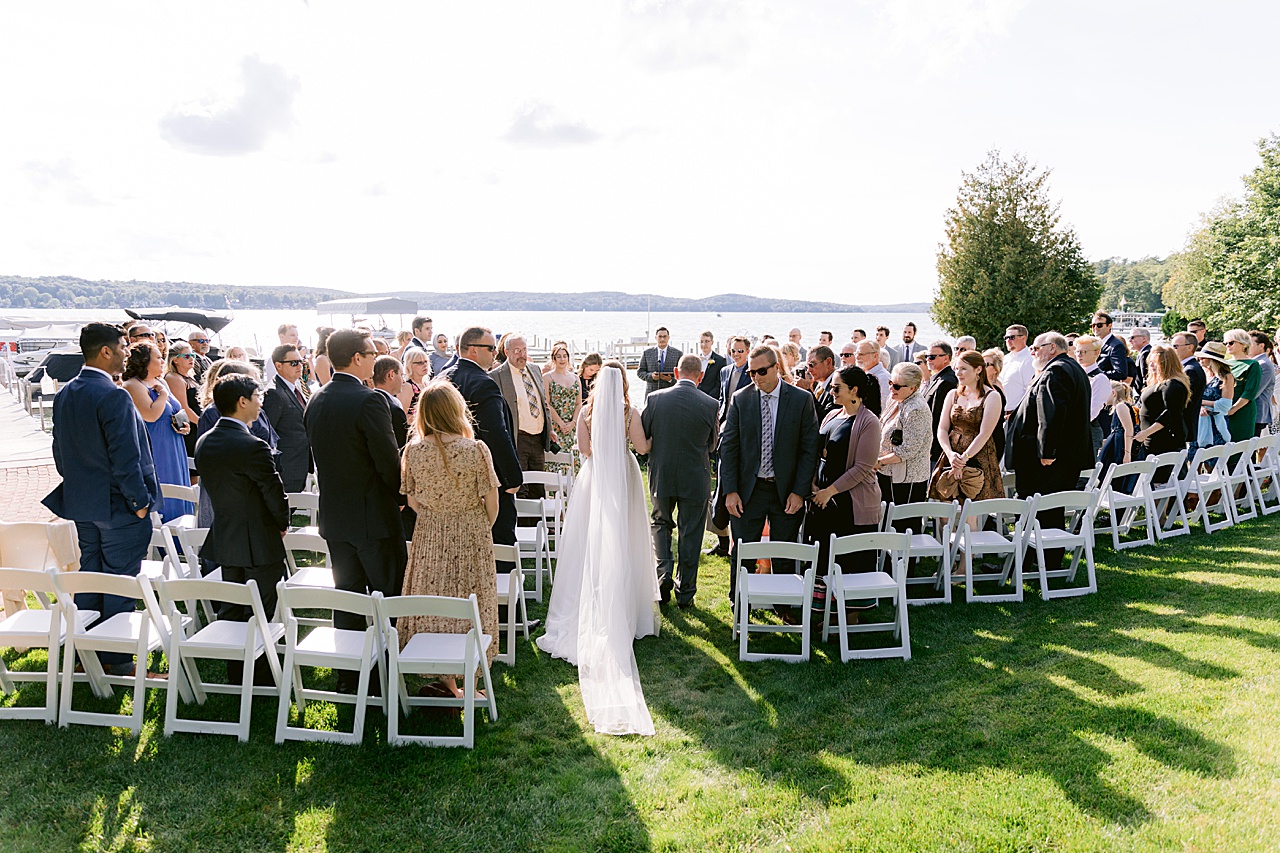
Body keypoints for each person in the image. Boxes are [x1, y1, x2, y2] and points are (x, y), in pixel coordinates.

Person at [536, 364, 658, 736]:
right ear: (622, 385)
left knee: (588, 541)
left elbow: (584, 449)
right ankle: (629, 611)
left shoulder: (586, 412)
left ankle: (586, 602)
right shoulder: (629, 413)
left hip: (593, 478)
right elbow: (642, 447)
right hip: (622, 476)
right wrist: (653, 438)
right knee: (626, 538)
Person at [43, 323, 159, 676]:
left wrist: (77, 487)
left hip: (83, 505)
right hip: (119, 507)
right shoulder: (114, 395)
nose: (128, 352)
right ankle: (117, 661)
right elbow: (126, 457)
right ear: (105, 351)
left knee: (90, 579)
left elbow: (59, 451)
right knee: (120, 583)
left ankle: (85, 656)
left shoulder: (66, 393)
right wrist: (139, 502)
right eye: (124, 346)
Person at [400, 381, 502, 697]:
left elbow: (413, 500)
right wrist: (478, 526)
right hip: (471, 532)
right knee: (473, 601)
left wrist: (436, 515)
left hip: (430, 533)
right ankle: (469, 685)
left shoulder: (413, 452)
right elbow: (492, 502)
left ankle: (447, 684)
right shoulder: (475, 450)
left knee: (436, 602)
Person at [304, 329, 407, 640]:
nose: (374, 359)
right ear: (356, 358)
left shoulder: (316, 398)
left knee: (347, 599)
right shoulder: (370, 400)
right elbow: (388, 461)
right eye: (371, 354)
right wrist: (400, 496)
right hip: (374, 518)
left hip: (336, 517)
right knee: (387, 596)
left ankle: (351, 675)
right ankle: (388, 667)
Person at [194, 374, 289, 681]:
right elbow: (272, 491)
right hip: (258, 539)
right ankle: (260, 676)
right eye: (257, 396)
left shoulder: (204, 441)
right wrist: (282, 523)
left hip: (225, 536)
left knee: (233, 608)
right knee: (262, 609)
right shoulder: (252, 445)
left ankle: (237, 671)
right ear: (242, 401)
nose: (261, 403)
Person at [719, 345, 820, 606]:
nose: (756, 377)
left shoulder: (801, 399)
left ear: (777, 367)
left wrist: (799, 492)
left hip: (786, 491)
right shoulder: (741, 399)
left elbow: (810, 450)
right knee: (741, 551)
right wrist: (730, 490)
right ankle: (738, 603)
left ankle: (783, 605)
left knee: (784, 553)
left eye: (761, 371)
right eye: (751, 372)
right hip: (747, 491)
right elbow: (727, 447)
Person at [1005, 333, 1092, 566]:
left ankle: (1025, 561)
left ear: (1051, 348)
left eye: (1035, 348)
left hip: (1046, 459)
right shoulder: (1073, 368)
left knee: (1033, 508)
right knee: (1050, 510)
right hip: (1062, 457)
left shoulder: (1056, 371)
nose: (1032, 353)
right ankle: (1045, 561)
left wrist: (1047, 451)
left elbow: (1051, 414)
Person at [442, 327, 523, 569]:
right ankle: (504, 603)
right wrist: (512, 477)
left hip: (449, 476)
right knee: (499, 544)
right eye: (491, 348)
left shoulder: (442, 377)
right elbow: (496, 433)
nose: (495, 354)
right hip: (487, 478)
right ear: (474, 351)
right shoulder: (483, 384)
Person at [642, 354, 718, 609]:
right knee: (691, 533)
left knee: (661, 523)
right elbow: (713, 444)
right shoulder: (711, 403)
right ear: (701, 376)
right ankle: (685, 592)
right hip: (695, 477)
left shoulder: (654, 399)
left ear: (676, 372)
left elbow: (646, 435)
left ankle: (663, 573)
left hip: (662, 473)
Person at [807, 365, 883, 608]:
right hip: (823, 499)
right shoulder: (832, 415)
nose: (831, 391)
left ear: (854, 390)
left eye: (836, 387)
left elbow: (862, 467)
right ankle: (825, 610)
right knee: (825, 556)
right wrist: (815, 486)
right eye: (831, 387)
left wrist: (830, 491)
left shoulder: (869, 422)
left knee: (850, 560)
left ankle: (850, 615)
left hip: (851, 505)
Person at [123, 341, 192, 522]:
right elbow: (151, 415)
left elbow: (176, 409)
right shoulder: (132, 385)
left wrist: (185, 426)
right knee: (165, 490)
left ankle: (185, 538)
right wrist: (162, 394)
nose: (163, 360)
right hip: (156, 447)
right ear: (145, 360)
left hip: (174, 444)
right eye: (158, 357)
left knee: (180, 489)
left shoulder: (161, 382)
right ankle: (167, 542)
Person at [929, 351, 1004, 505]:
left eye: (963, 369)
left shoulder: (992, 396)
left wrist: (964, 459)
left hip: (977, 455)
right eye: (956, 368)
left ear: (978, 369)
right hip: (952, 454)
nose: (958, 373)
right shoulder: (952, 395)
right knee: (944, 508)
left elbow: (984, 433)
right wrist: (951, 455)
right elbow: (942, 429)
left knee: (970, 512)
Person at [489, 334, 556, 498]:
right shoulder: (496, 376)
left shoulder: (535, 369)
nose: (522, 355)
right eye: (517, 351)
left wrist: (551, 430)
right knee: (521, 488)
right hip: (518, 438)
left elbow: (542, 403)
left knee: (538, 487)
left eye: (524, 350)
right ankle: (523, 523)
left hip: (539, 438)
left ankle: (540, 523)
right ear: (507, 352)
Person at [876, 362, 931, 506]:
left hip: (908, 479)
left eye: (897, 386)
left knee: (903, 525)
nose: (891, 388)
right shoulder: (895, 399)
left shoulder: (916, 409)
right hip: (887, 473)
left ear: (913, 388)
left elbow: (908, 449)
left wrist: (879, 462)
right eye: (890, 383)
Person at [261, 343, 313, 493]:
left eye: (301, 362)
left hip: (298, 462)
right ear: (278, 366)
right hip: (285, 467)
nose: (299, 366)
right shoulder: (274, 394)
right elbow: (267, 434)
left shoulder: (295, 387)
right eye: (293, 363)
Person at [1134, 345, 1190, 468]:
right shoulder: (1161, 383)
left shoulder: (1172, 384)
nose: (1151, 365)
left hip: (1163, 441)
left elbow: (1170, 414)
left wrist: (1146, 433)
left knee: (1162, 481)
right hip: (1153, 439)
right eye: (1150, 362)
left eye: (1155, 363)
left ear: (1167, 364)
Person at [544, 341, 582, 476]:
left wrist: (572, 423)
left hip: (572, 427)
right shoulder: (547, 378)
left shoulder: (576, 378)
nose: (562, 359)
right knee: (556, 461)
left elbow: (579, 403)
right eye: (558, 356)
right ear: (553, 359)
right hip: (555, 426)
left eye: (564, 356)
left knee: (572, 458)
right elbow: (546, 403)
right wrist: (561, 424)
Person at [1073, 335, 1113, 461]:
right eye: (1077, 351)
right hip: (1075, 429)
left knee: (1084, 475)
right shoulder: (1076, 374)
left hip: (1088, 432)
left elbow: (1092, 412)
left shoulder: (1099, 378)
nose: (1079, 355)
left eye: (1083, 352)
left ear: (1096, 353)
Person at [1098, 381, 1142, 493]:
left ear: (1113, 393)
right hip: (1118, 444)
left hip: (1120, 446)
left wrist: (1127, 453)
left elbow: (1129, 429)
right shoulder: (1121, 406)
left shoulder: (1121, 406)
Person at [165, 341, 203, 463]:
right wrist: (203, 423)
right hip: (190, 427)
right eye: (187, 356)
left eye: (193, 355)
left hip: (197, 425)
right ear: (175, 360)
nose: (191, 358)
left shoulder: (190, 377)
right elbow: (183, 408)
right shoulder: (174, 378)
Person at [922, 341, 958, 466]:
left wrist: (932, 448)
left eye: (932, 357)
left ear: (946, 358)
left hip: (936, 449)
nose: (928, 359)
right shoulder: (937, 378)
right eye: (926, 356)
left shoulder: (946, 381)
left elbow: (938, 417)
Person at [1223, 329, 1261, 441]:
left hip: (1241, 412)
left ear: (1243, 344)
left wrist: (1232, 410)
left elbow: (1249, 393)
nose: (1227, 346)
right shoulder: (1225, 364)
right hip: (1224, 410)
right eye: (1225, 343)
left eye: (1231, 342)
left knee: (1238, 448)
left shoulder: (1253, 364)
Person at [1171, 332, 1207, 450]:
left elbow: (1185, 401)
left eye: (1175, 346)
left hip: (1183, 425)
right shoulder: (1190, 367)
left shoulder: (1190, 370)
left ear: (1190, 347)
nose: (1173, 350)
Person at [1195, 342, 1234, 450]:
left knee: (1213, 461)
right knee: (1193, 460)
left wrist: (1201, 402)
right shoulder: (1200, 374)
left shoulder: (1226, 377)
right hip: (1198, 422)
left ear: (1213, 360)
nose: (1200, 360)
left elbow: (1225, 405)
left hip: (1217, 424)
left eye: (1204, 357)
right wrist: (1200, 407)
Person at [999, 324, 1035, 416]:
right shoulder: (1005, 359)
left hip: (1017, 414)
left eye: (1011, 337)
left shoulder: (1030, 359)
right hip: (1000, 413)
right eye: (1006, 337)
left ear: (1023, 338)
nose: (1008, 341)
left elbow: (1030, 391)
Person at [637, 326, 681, 396]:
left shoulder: (678, 353)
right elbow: (640, 372)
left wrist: (670, 379)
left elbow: (682, 375)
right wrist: (651, 376)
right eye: (660, 336)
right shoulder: (647, 353)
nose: (662, 339)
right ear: (656, 337)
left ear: (668, 337)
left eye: (665, 336)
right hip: (652, 394)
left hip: (670, 394)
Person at [1248, 330, 1276, 437]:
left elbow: (1254, 392)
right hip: (1252, 413)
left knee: (1249, 450)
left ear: (1261, 346)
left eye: (1250, 344)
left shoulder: (1263, 364)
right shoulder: (1255, 362)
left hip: (1256, 414)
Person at [1090, 312, 1130, 382]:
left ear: (1109, 326)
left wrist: (1096, 373)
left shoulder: (1116, 346)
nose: (1095, 328)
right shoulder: (1092, 343)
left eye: (1099, 325)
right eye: (1093, 325)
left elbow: (1121, 373)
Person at [855, 339, 892, 412]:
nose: (857, 357)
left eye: (861, 354)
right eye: (856, 354)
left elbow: (884, 408)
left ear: (875, 356)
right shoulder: (863, 375)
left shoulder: (883, 378)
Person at [804, 345, 838, 422]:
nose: (809, 370)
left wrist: (807, 391)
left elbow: (826, 418)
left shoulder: (838, 385)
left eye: (812, 365)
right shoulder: (820, 384)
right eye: (807, 366)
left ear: (828, 362)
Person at [399, 346, 429, 418]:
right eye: (420, 363)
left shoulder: (427, 383)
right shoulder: (407, 386)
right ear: (410, 365)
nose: (425, 365)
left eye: (426, 361)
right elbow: (402, 415)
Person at [695, 331, 726, 398]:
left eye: (707, 341)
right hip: (695, 396)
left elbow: (719, 384)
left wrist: (708, 398)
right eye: (701, 342)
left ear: (712, 342)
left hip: (711, 398)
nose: (704, 344)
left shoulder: (720, 361)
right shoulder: (694, 360)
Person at [1128, 327, 1152, 393]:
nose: (1130, 341)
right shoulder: (1144, 352)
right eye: (1129, 338)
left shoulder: (1146, 353)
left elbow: (1146, 378)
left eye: (1132, 337)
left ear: (1144, 338)